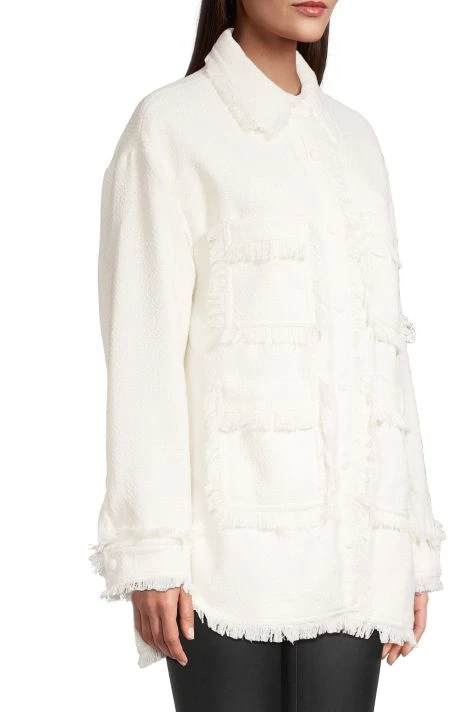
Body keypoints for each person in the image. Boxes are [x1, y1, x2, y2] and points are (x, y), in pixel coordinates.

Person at [90, 1, 446, 710]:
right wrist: (150, 548)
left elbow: (385, 358)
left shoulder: (356, 141)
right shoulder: (170, 127)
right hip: (223, 564)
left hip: (354, 558)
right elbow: (144, 354)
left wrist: (409, 542)